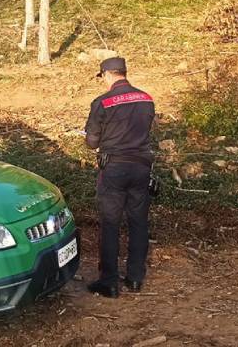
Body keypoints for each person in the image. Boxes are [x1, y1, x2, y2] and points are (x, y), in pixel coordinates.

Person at [84, 57, 155, 298]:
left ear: (106, 75)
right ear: (124, 72)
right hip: (142, 168)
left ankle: (109, 282)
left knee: (110, 224)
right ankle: (135, 278)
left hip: (114, 169)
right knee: (139, 223)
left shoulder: (102, 102)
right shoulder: (146, 99)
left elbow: (91, 142)